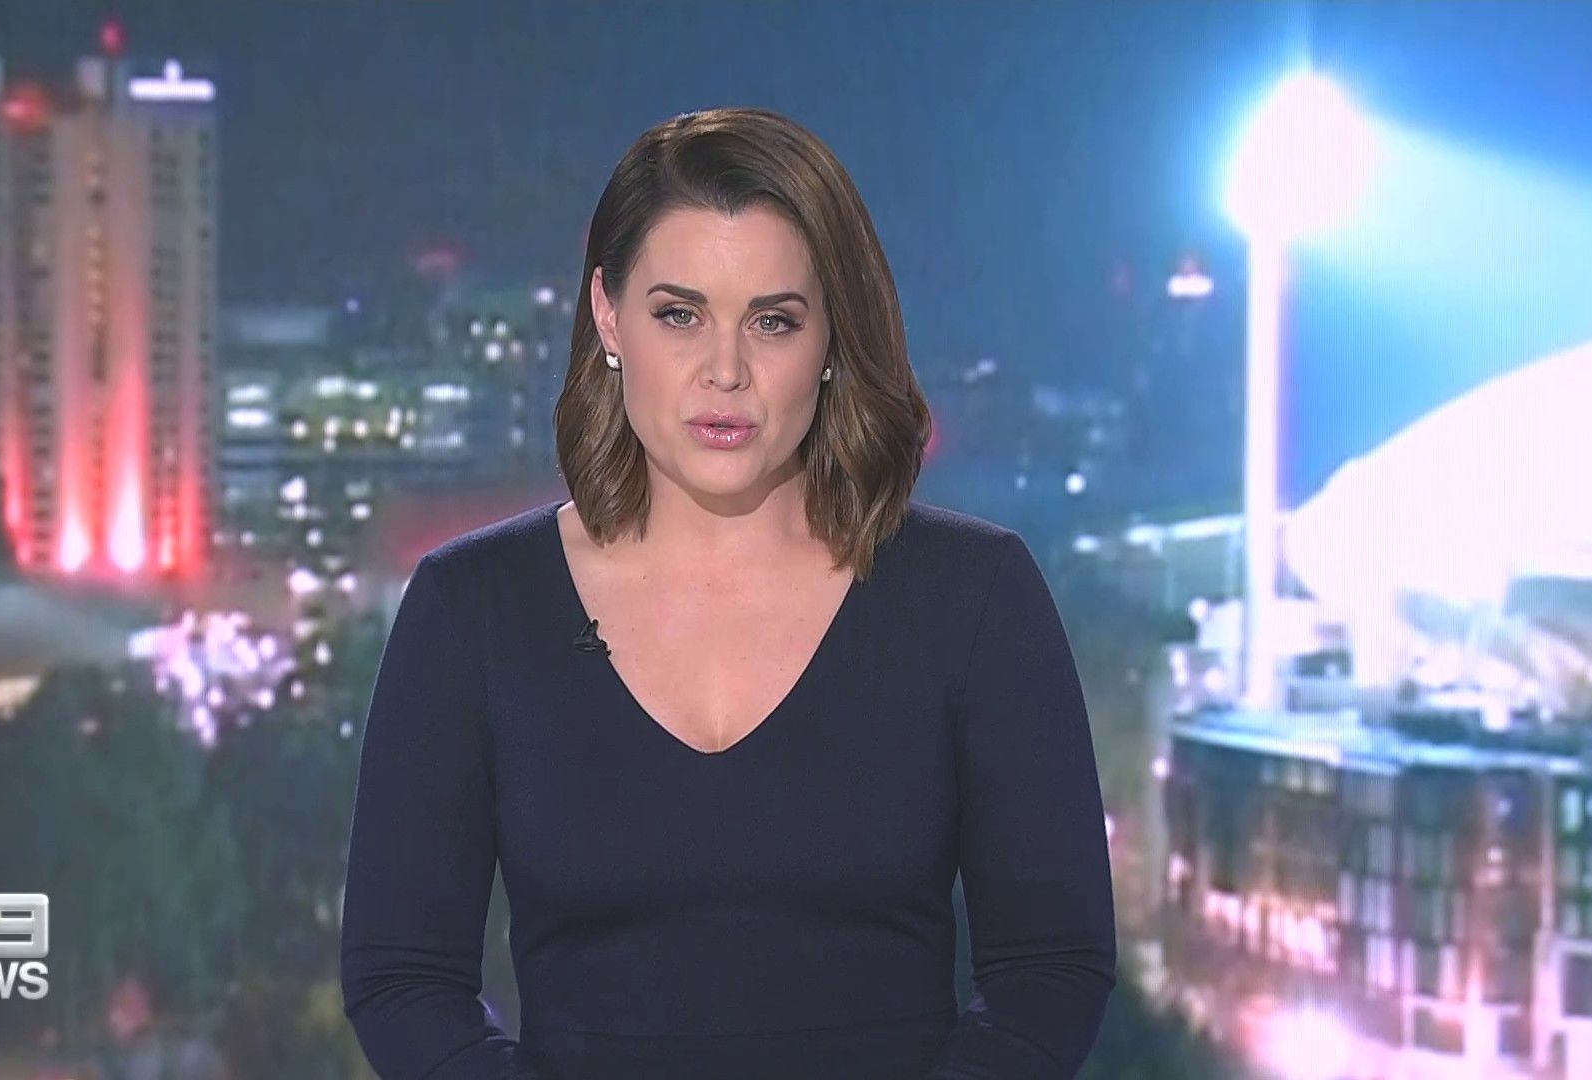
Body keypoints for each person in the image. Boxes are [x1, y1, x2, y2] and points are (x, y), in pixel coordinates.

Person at [340, 106, 1115, 1080]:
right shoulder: (471, 610)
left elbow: (1052, 968)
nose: (726, 372)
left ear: (832, 337)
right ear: (609, 316)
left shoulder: (975, 598)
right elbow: (403, 977)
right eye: (680, 314)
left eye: (773, 321)